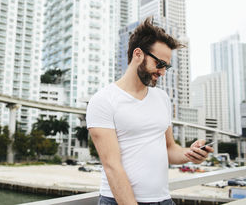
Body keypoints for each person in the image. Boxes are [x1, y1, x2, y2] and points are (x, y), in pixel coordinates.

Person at [86, 18, 214, 205]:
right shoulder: (103, 100)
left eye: (166, 67)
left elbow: (170, 149)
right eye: (160, 64)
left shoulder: (162, 98)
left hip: (163, 200)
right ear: (138, 54)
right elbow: (112, 166)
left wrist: (191, 154)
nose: (162, 72)